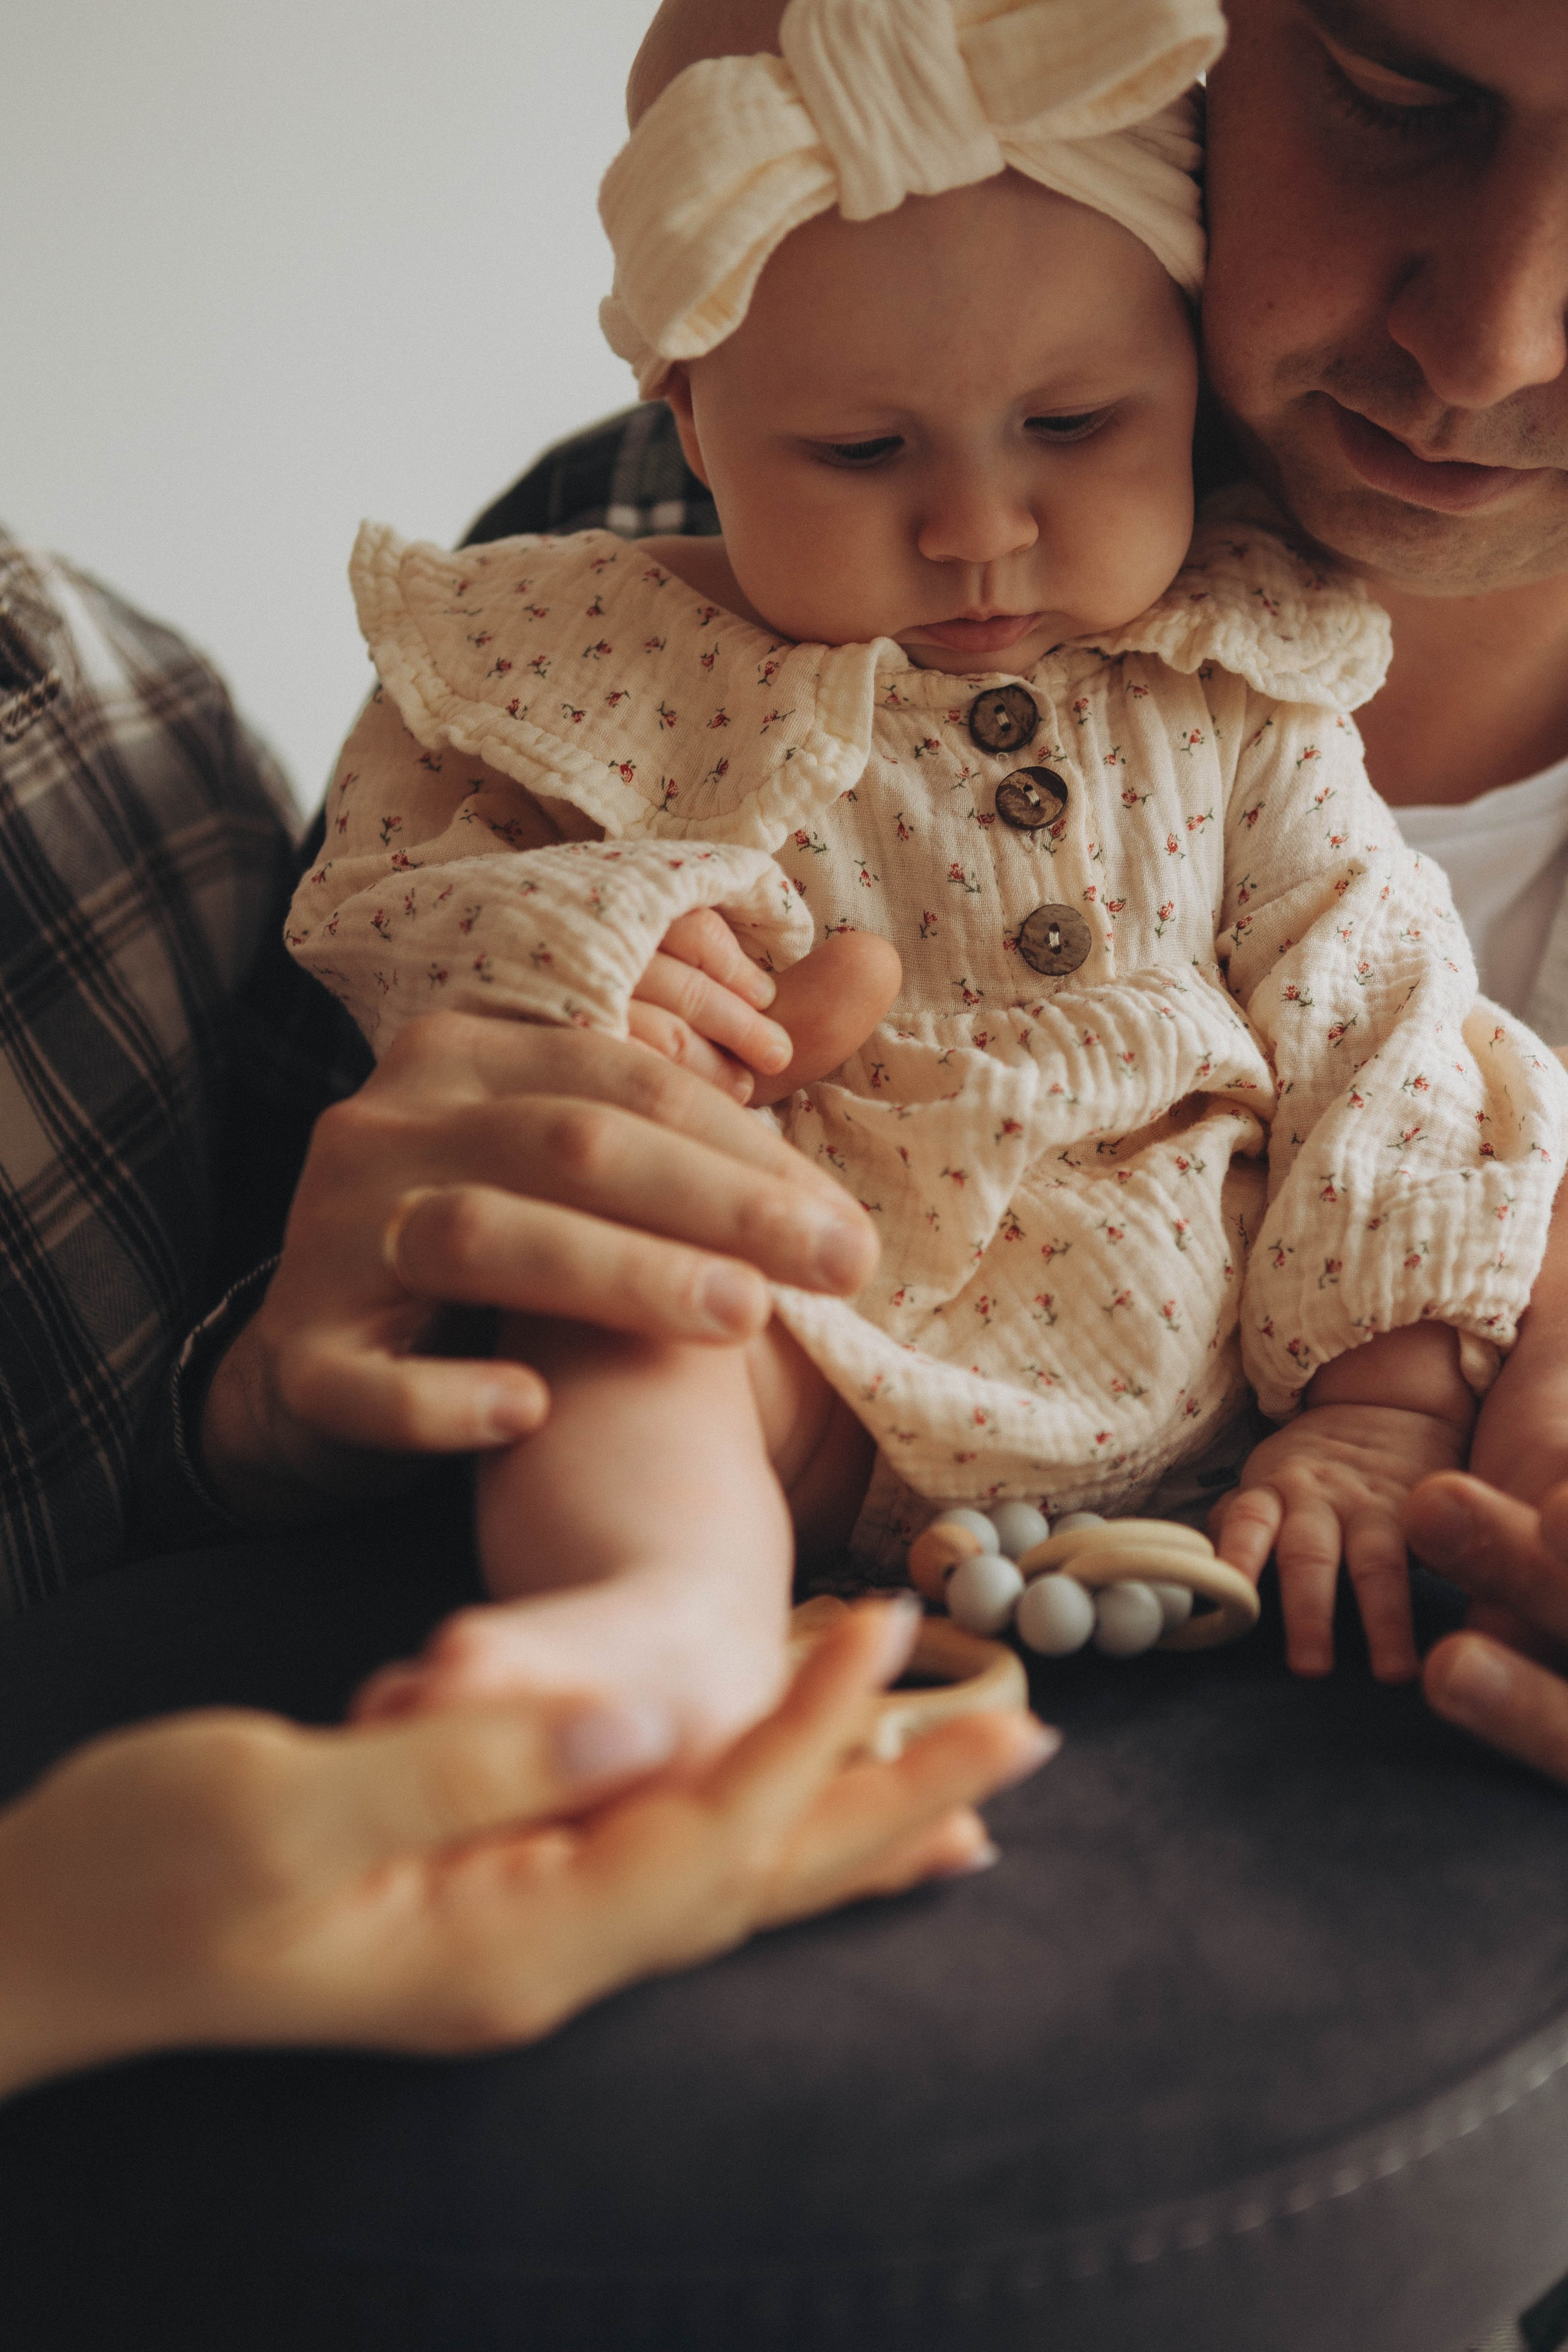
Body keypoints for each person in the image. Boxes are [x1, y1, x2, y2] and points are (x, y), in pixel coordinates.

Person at [282, 0, 1565, 1748]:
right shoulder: (593, 642)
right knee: (640, 1304)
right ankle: (658, 1613)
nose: (978, 528)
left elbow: (1379, 1007)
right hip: (816, 1326)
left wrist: (1387, 1409)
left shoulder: (1241, 683)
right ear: (691, 411)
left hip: (1221, 1344)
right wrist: (590, 958)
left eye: (1074, 424)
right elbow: (393, 890)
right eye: (1398, 96)